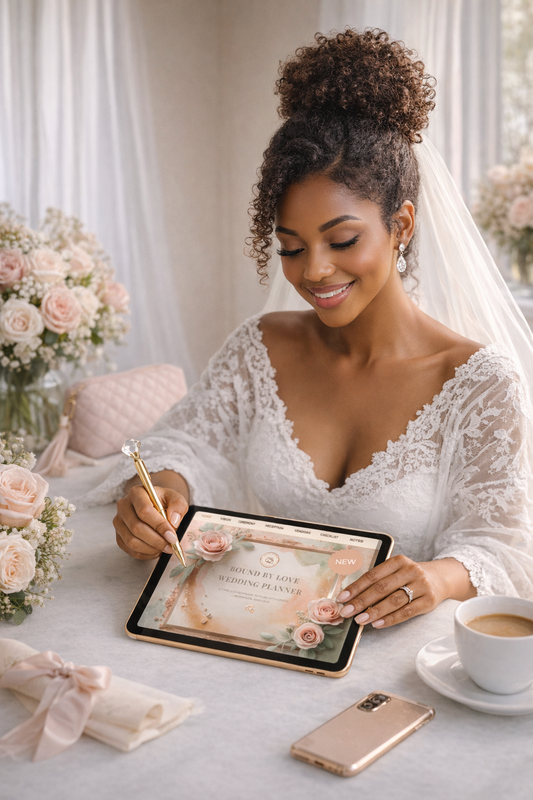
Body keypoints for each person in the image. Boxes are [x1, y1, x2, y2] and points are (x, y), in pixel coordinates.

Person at [90, 29, 533, 629]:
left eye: (342, 240)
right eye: (291, 247)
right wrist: (158, 492)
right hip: (255, 640)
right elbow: (185, 444)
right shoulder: (262, 348)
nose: (315, 271)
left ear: (401, 225)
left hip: (399, 676)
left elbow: (504, 549)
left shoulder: (480, 386)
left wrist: (438, 576)